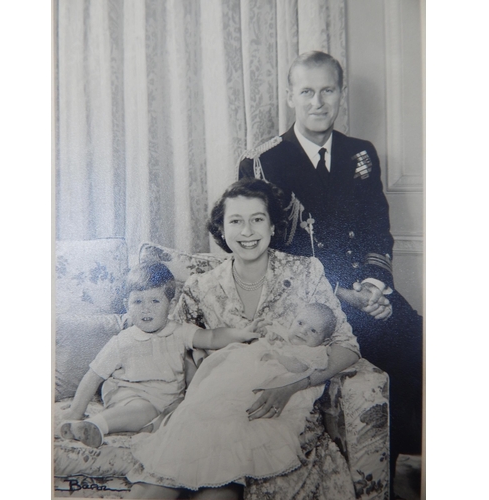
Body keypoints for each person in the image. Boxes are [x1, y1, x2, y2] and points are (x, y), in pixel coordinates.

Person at [238, 50, 423, 476]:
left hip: (363, 289)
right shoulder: (263, 161)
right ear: (290, 97)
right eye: (307, 91)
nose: (317, 102)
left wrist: (376, 285)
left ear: (340, 95)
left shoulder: (361, 153)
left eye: (327, 91)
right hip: (307, 302)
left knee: (412, 336)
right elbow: (273, 252)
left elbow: (377, 224)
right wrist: (345, 295)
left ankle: (383, 474)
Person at [126, 178, 360, 500]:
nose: (247, 231)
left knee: (216, 495)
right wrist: (187, 398)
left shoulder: (306, 272)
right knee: (150, 490)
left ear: (273, 226)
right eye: (236, 221)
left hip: (276, 420)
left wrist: (290, 386)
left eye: (257, 219)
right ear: (222, 229)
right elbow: (176, 346)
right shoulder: (201, 286)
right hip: (211, 411)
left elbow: (347, 347)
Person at [60, 261, 261, 448]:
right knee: (144, 410)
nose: (145, 309)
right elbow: (93, 376)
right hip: (129, 395)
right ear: (126, 305)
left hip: (168, 401)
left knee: (193, 415)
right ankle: (94, 426)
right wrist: (75, 412)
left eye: (155, 301)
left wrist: (241, 334)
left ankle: (148, 427)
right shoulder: (122, 342)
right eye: (137, 301)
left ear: (171, 305)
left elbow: (211, 338)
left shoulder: (180, 332)